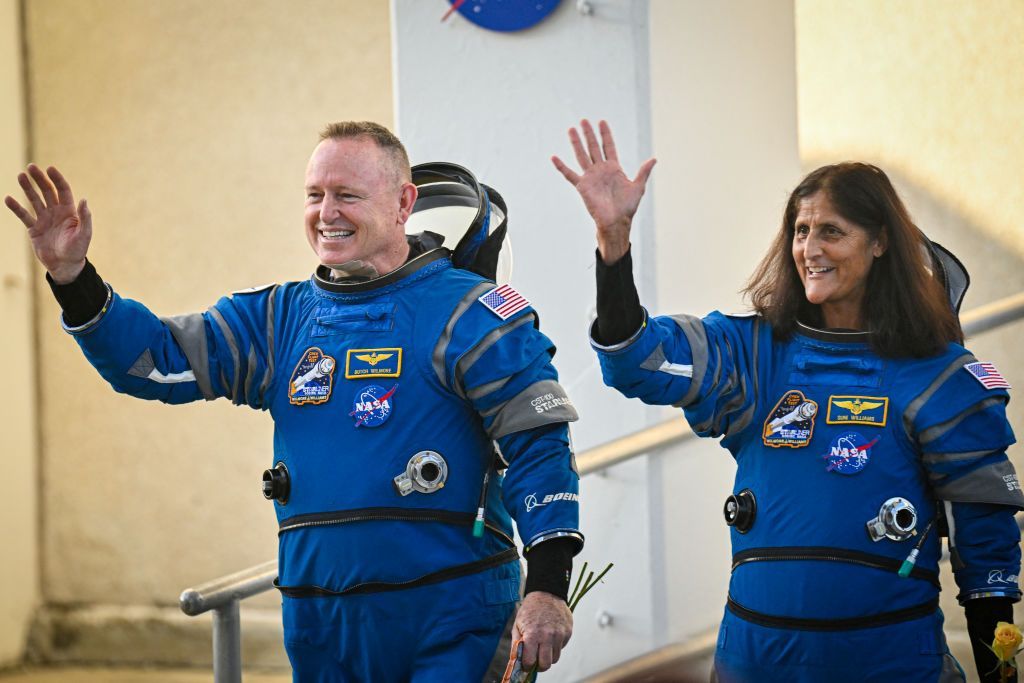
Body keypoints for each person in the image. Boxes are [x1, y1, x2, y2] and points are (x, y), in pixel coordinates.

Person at [6, 121, 583, 681]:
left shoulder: (472, 313)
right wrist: (74, 276)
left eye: (347, 195)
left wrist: (548, 587)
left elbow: (539, 446)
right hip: (319, 623)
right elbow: (156, 363)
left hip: (456, 620)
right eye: (315, 194)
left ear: (404, 202)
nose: (326, 213)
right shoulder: (278, 319)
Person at [552, 119, 1022, 682]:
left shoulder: (938, 375)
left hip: (888, 664)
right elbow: (638, 360)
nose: (810, 249)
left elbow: (986, 549)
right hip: (756, 661)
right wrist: (614, 244)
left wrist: (1001, 671)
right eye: (801, 231)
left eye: (831, 231)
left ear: (879, 242)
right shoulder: (753, 354)